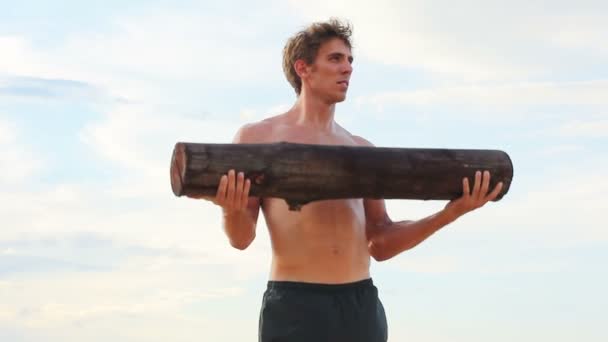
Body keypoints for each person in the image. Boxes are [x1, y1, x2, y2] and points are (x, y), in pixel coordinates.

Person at [192, 18, 503, 342]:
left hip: (360, 306)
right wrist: (230, 210)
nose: (348, 69)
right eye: (335, 59)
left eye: (350, 60)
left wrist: (450, 213)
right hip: (295, 305)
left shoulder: (361, 150)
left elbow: (379, 242)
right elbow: (241, 239)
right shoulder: (259, 138)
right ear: (304, 68)